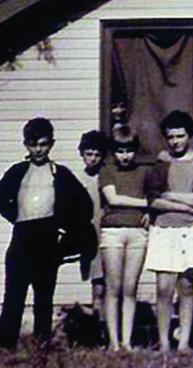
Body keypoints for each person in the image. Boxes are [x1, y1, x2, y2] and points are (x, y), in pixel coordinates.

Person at [0, 117, 96, 349]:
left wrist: (63, 229)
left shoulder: (60, 173)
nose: (38, 149)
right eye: (33, 144)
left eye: (43, 144)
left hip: (47, 238)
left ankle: (41, 345)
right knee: (13, 296)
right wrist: (15, 217)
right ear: (26, 144)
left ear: (51, 144)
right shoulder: (18, 171)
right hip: (21, 236)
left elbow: (84, 207)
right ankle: (5, 346)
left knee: (43, 297)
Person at [143, 110, 193, 352]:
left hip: (191, 230)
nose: (175, 141)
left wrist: (172, 196)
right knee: (164, 288)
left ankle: (184, 342)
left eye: (180, 136)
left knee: (186, 286)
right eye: (171, 137)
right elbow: (153, 200)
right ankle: (164, 343)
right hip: (164, 230)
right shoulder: (161, 163)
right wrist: (185, 205)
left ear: (189, 136)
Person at [98, 127, 150, 351]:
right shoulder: (107, 171)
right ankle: (113, 342)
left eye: (129, 150)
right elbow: (113, 198)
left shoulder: (144, 172)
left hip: (138, 232)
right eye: (120, 150)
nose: (125, 155)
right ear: (114, 152)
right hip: (113, 232)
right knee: (113, 287)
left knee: (130, 287)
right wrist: (145, 204)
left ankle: (127, 342)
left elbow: (152, 195)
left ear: (135, 150)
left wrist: (149, 211)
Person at [73, 130, 110, 320]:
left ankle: (105, 319)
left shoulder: (107, 177)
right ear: (82, 153)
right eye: (89, 154)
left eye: (97, 155)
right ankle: (97, 317)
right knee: (96, 275)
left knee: (107, 275)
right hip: (89, 232)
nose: (93, 159)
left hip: (106, 229)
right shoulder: (78, 179)